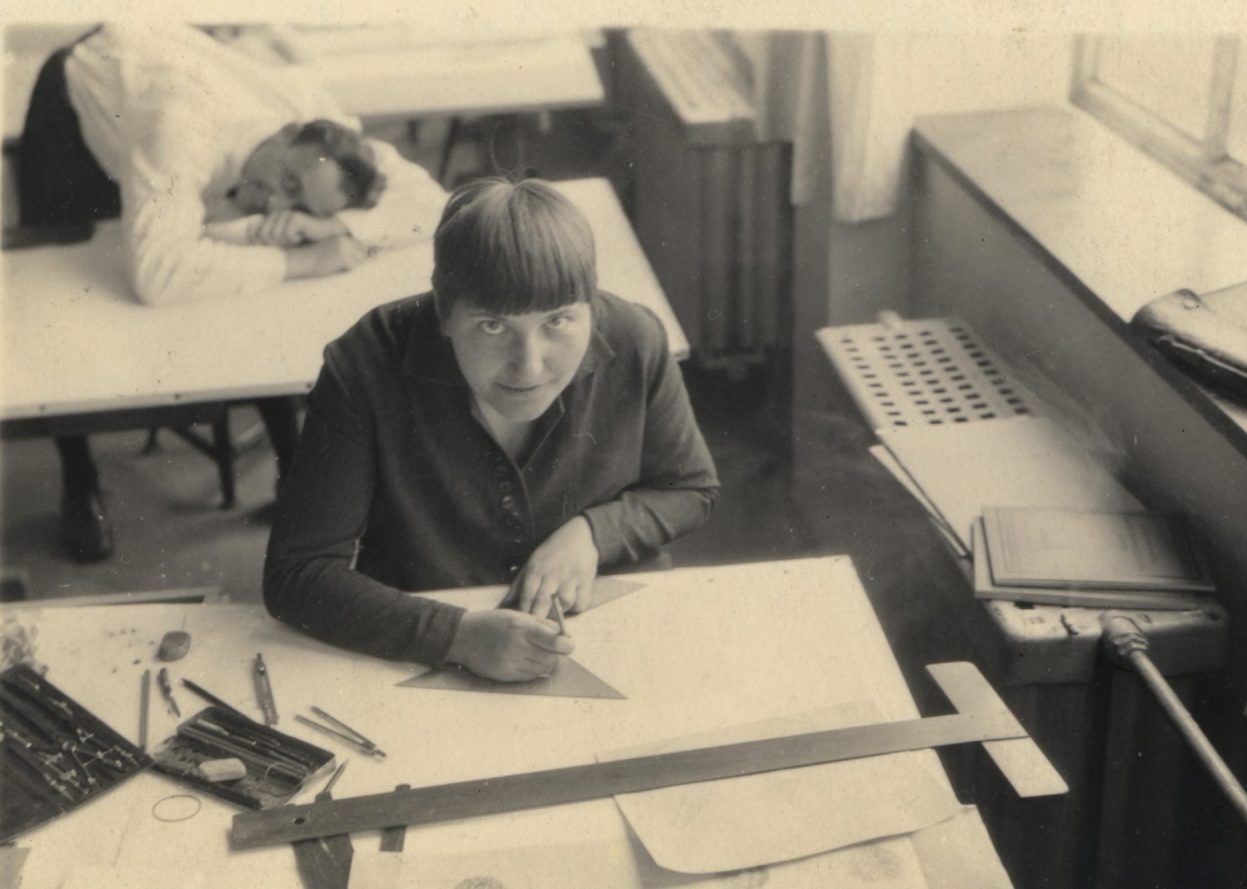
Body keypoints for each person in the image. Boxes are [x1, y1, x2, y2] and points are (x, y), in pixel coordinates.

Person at [15, 23, 448, 561]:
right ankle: (79, 481)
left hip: (165, 72)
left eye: (299, 202)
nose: (277, 203)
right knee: (64, 289)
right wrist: (300, 260)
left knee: (247, 280)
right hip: (80, 98)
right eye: (288, 183)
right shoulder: (180, 131)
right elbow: (158, 274)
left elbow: (431, 201)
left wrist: (335, 226)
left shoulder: (316, 121)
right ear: (284, 136)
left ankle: (293, 469)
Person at [264, 177, 719, 681]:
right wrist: (454, 636)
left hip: (609, 625)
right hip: (420, 651)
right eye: (493, 326)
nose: (529, 366)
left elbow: (689, 488)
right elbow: (298, 574)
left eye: (558, 322)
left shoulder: (637, 337)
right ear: (444, 311)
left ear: (590, 303)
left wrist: (592, 534)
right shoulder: (365, 361)